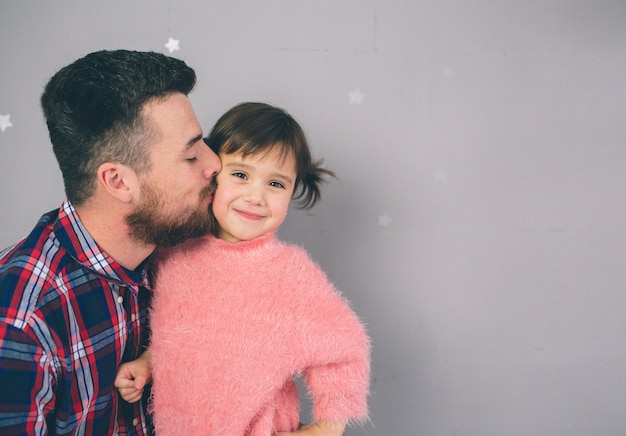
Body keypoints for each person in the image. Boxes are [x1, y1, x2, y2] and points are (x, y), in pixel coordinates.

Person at [0, 49, 221, 435]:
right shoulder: (22, 320)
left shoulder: (185, 256)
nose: (214, 163)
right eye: (190, 155)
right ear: (118, 181)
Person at [147, 102, 371, 435]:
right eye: (240, 175)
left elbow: (345, 349)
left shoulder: (291, 275)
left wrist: (328, 427)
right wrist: (148, 361)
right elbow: (179, 336)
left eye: (276, 184)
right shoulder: (174, 253)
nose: (256, 196)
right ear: (212, 172)